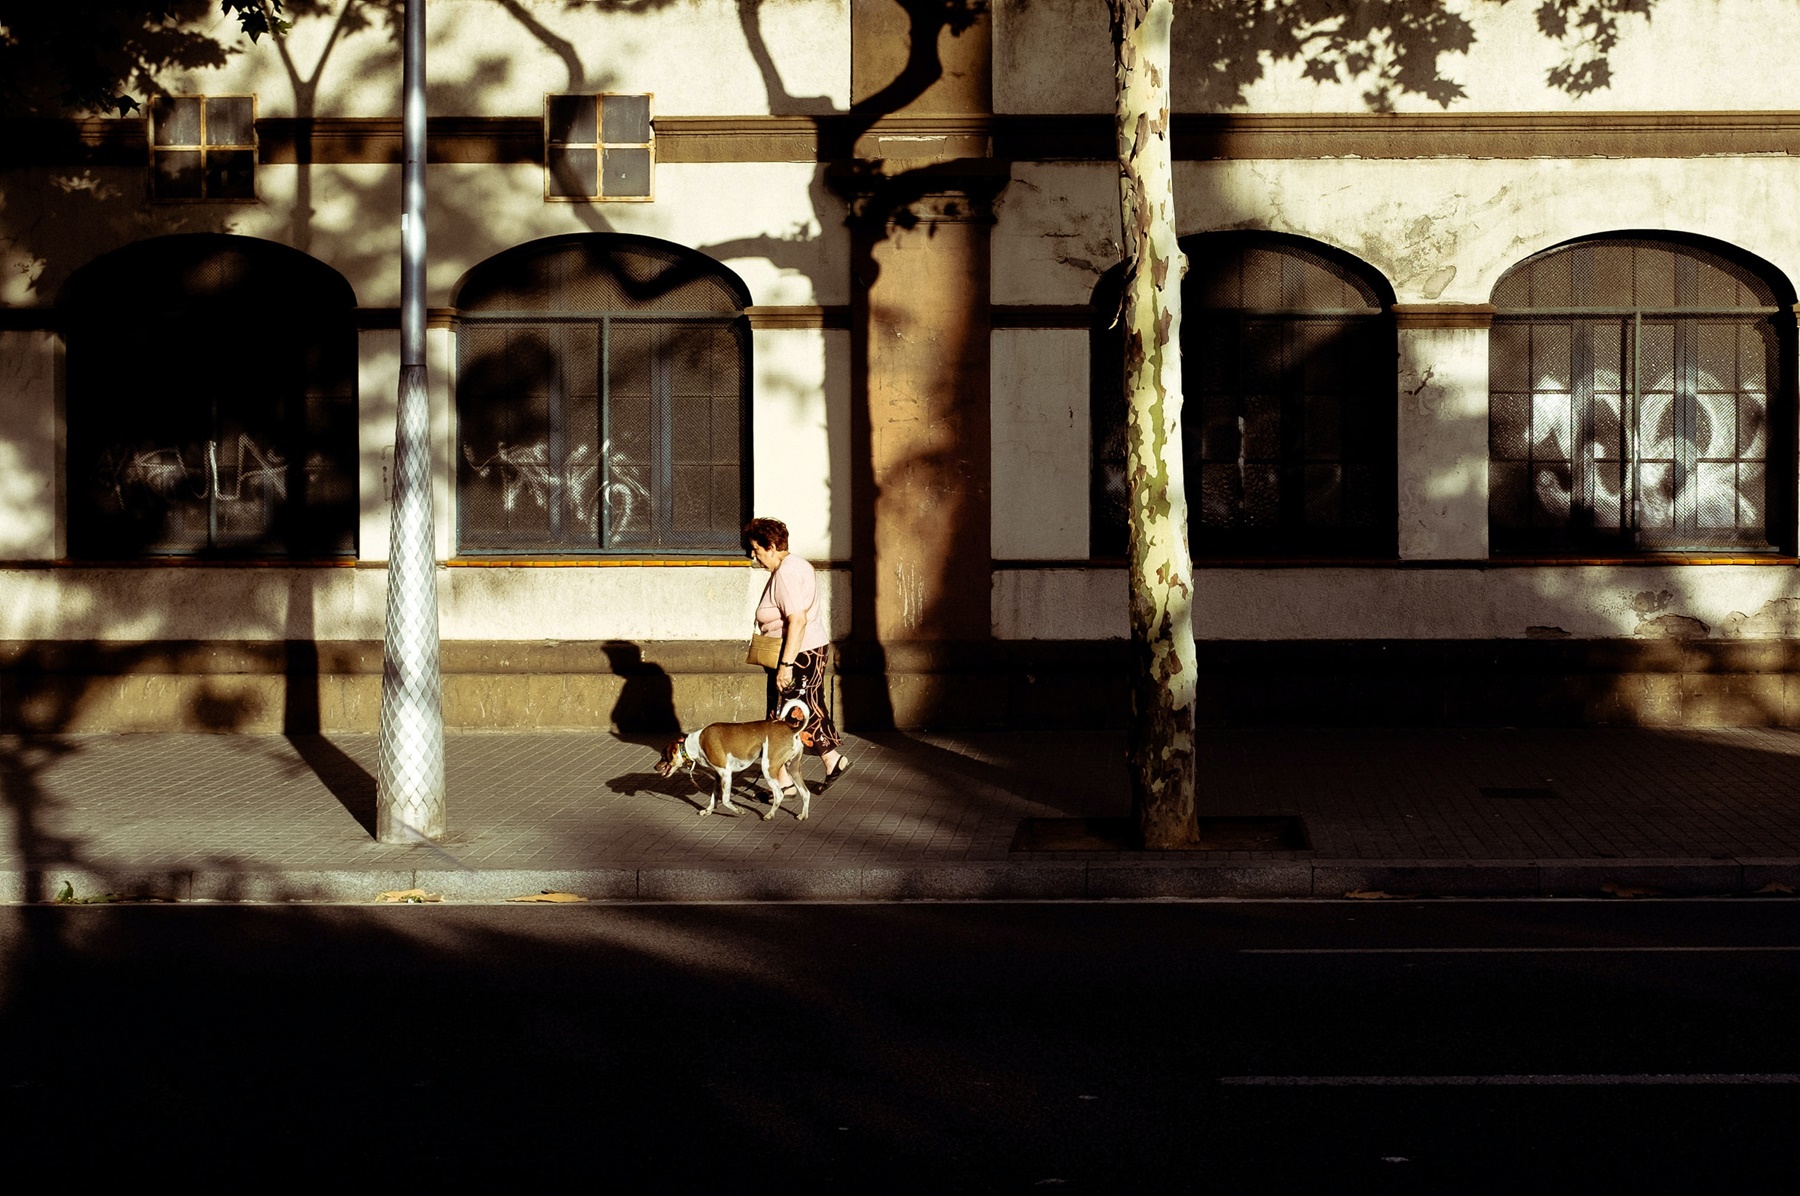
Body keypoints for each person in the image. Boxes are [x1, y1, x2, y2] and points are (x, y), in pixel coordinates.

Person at [743, 516, 850, 793]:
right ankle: (831, 761)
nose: (754, 557)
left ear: (772, 546)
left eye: (756, 549)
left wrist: (786, 665)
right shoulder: (798, 565)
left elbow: (797, 620)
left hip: (796, 652)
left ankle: (784, 783)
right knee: (806, 708)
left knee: (782, 718)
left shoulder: (786, 573)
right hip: (809, 649)